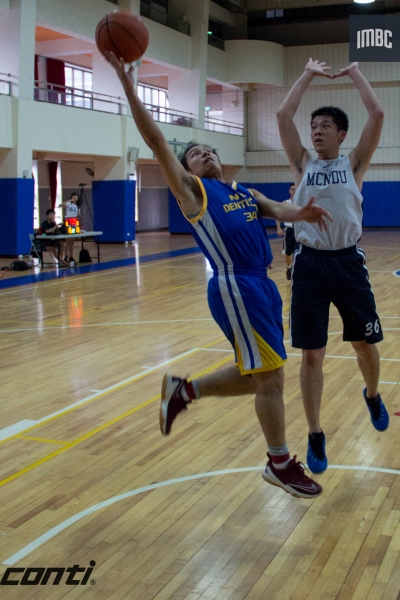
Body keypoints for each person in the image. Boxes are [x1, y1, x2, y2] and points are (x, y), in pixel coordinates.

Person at [106, 51, 332, 499]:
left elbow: (278, 210)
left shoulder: (241, 192)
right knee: (272, 377)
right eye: (194, 154)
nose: (204, 153)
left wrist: (300, 212)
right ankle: (279, 462)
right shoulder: (193, 192)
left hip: (261, 285)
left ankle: (183, 391)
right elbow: (155, 141)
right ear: (186, 169)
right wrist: (129, 87)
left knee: (258, 373)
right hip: (234, 285)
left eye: (208, 149)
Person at [276, 59, 388, 475]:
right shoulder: (302, 164)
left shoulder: (354, 164)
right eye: (314, 126)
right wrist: (305, 73)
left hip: (347, 263)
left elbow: (377, 114)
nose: (316, 130)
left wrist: (355, 72)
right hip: (309, 266)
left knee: (365, 345)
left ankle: (373, 395)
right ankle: (315, 432)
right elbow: (283, 115)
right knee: (311, 356)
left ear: (341, 135)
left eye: (325, 125)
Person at [275, 183, 297, 280]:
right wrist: (279, 228)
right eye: (293, 189)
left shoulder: (301, 202)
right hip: (289, 230)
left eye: (296, 189)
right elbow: (277, 216)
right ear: (289, 191)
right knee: (288, 252)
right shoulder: (285, 203)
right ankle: (289, 268)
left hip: (299, 229)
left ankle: (297, 269)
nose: (294, 191)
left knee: (298, 251)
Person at [59, 192, 80, 263]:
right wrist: (69, 200)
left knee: (72, 241)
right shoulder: (69, 204)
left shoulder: (77, 206)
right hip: (68, 220)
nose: (75, 197)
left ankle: (71, 256)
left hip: (74, 221)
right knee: (68, 240)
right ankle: (66, 256)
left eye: (76, 196)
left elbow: (77, 215)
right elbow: (60, 205)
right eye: (73, 196)